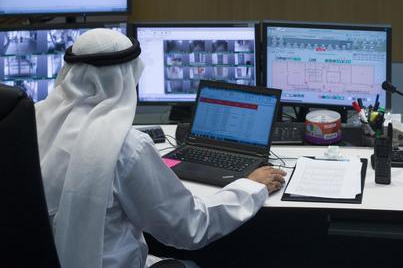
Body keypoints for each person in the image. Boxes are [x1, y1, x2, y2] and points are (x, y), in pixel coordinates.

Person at [35, 28, 286, 268]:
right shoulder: (125, 146)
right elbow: (189, 227)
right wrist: (250, 187)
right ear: (128, 77)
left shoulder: (31, 121)